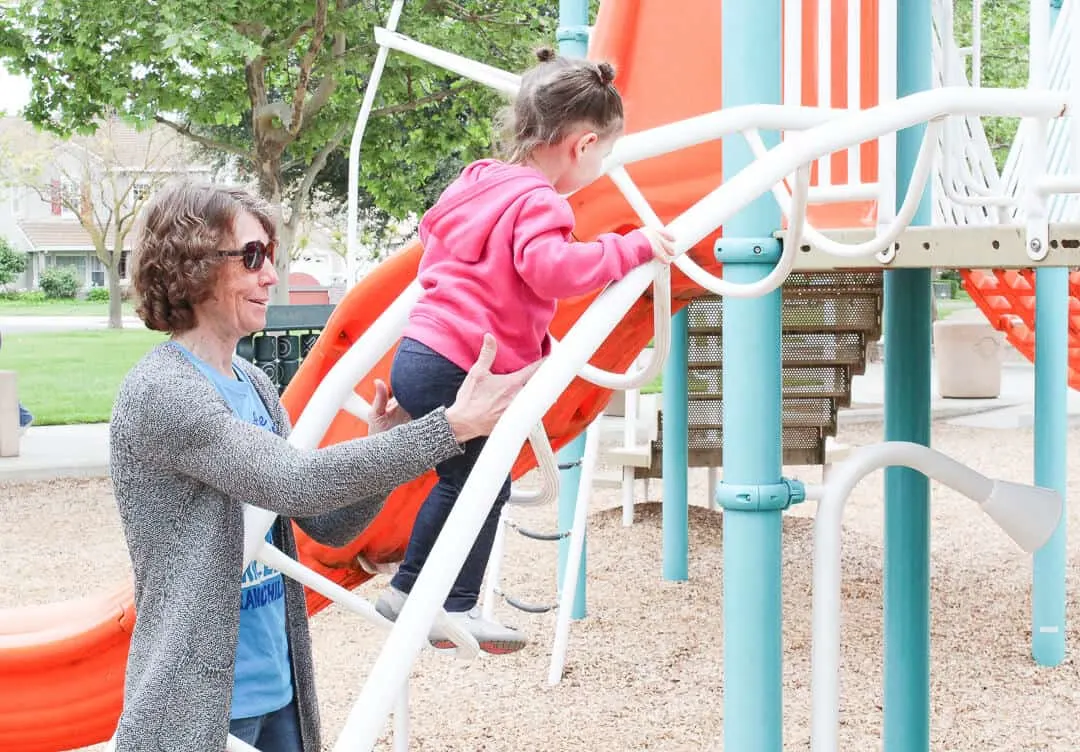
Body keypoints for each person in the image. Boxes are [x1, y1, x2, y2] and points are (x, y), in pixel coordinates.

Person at [108, 181, 537, 752]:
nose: (270, 276)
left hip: (277, 689)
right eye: (252, 256)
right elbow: (300, 483)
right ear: (193, 266)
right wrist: (450, 426)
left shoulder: (253, 384)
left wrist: (386, 450)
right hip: (199, 708)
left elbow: (327, 525)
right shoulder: (164, 392)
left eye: (271, 257)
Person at [374, 48, 677, 654]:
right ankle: (428, 598)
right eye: (606, 155)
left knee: (466, 479)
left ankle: (424, 593)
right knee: (478, 483)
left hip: (420, 350)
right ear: (583, 145)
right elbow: (552, 270)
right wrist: (630, 248)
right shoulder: (541, 200)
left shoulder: (477, 181)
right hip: (466, 363)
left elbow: (436, 236)